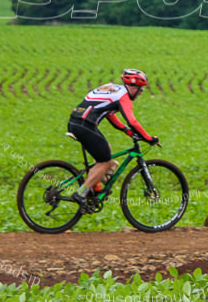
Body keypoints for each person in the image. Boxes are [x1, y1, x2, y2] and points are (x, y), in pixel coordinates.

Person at [67, 68, 159, 210]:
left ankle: (96, 188)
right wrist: (148, 138)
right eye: (141, 90)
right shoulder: (124, 96)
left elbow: (110, 114)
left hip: (76, 122)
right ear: (133, 87)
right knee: (104, 162)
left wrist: (127, 132)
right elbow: (132, 121)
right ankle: (81, 194)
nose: (141, 93)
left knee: (106, 150)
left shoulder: (113, 89)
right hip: (84, 125)